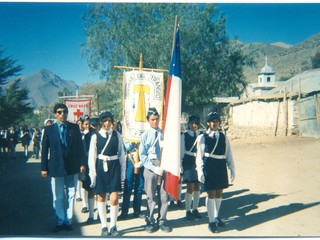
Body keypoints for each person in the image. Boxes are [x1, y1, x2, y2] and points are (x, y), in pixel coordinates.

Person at [41, 103, 86, 233]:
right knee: (58, 196)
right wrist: (44, 168)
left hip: (72, 167)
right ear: (55, 114)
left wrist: (82, 163)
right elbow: (45, 150)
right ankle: (59, 221)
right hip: (56, 168)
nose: (62, 114)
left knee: (71, 194)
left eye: (65, 112)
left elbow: (80, 148)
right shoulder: (49, 130)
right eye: (59, 112)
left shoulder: (74, 128)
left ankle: (68, 221)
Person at [196, 112, 235, 233]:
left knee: (219, 193)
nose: (215, 123)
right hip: (209, 166)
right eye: (212, 121)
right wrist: (200, 171)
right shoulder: (203, 137)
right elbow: (199, 156)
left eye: (217, 121)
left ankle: (217, 217)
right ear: (208, 123)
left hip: (220, 166)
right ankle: (211, 221)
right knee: (211, 194)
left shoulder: (223, 137)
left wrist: (232, 168)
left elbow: (228, 154)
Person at [88, 111, 126, 236]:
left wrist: (122, 174)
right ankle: (104, 226)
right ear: (101, 122)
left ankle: (113, 226)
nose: (107, 123)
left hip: (114, 167)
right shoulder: (95, 137)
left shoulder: (117, 135)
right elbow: (92, 158)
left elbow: (121, 155)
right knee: (101, 197)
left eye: (110, 121)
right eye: (105, 121)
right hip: (101, 167)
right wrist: (93, 175)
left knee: (114, 198)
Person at [139, 107, 172, 233]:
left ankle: (162, 220)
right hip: (150, 166)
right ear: (148, 120)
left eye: (157, 119)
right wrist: (154, 168)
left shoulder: (164, 133)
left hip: (164, 164)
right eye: (152, 119)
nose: (155, 122)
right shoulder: (145, 136)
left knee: (164, 195)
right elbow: (142, 156)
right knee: (151, 195)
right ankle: (150, 219)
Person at [181, 114, 203, 221]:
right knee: (190, 187)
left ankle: (195, 209)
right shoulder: (184, 136)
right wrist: (180, 166)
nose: (195, 126)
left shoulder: (201, 135)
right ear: (189, 124)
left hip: (198, 162)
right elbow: (181, 151)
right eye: (193, 123)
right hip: (188, 162)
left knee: (198, 186)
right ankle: (188, 211)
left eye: (197, 124)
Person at [118, 140, 145, 220]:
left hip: (141, 161)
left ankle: (137, 211)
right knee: (128, 187)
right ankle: (124, 212)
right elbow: (127, 147)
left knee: (139, 187)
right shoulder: (127, 135)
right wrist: (135, 140)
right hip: (130, 161)